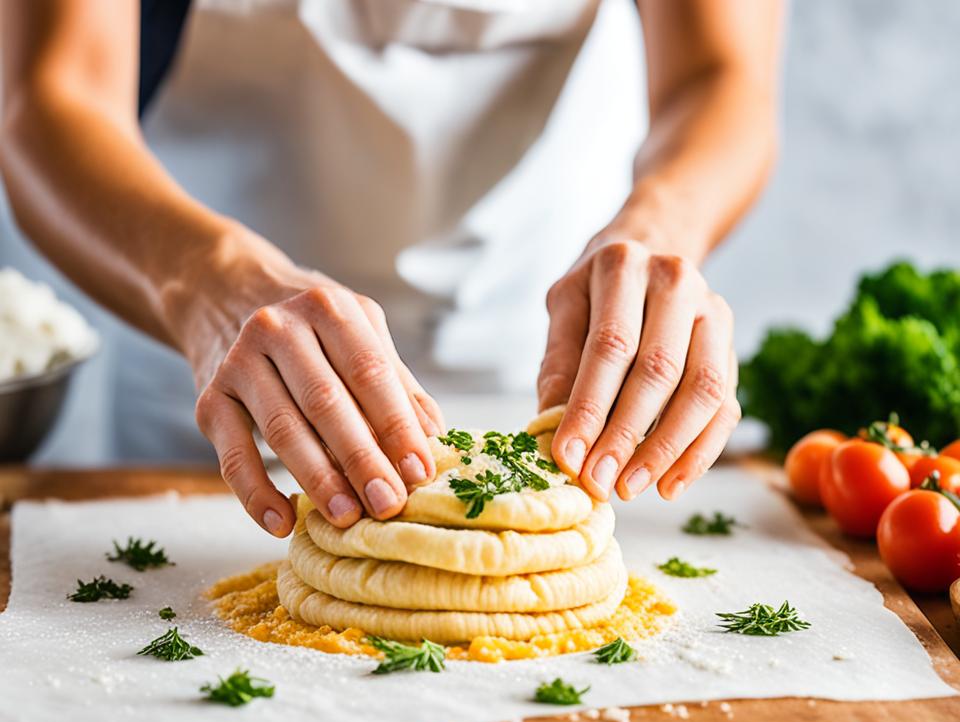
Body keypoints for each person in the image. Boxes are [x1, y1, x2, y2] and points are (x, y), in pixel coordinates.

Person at [0, 0, 782, 538]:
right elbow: (50, 96)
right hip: (208, 372)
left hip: (542, 355)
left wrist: (663, 228)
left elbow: (722, 75)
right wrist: (208, 286)